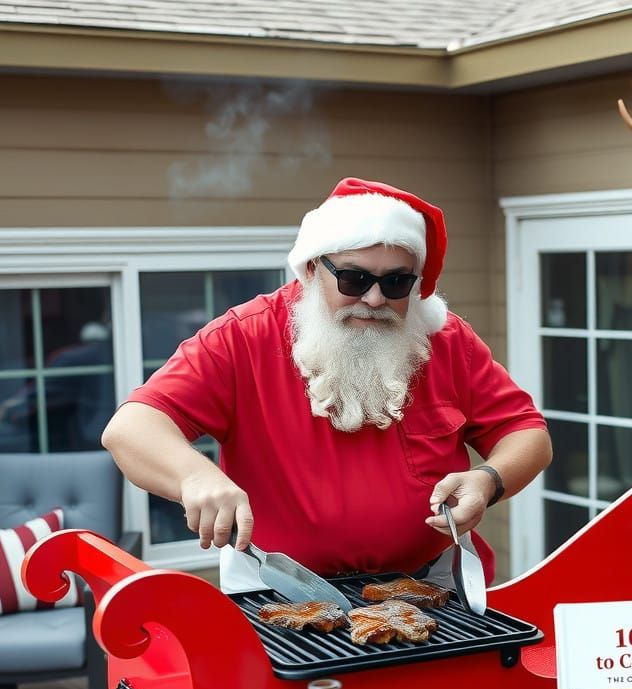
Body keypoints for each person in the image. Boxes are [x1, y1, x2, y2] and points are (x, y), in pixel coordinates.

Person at [102, 178, 552, 587]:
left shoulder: (446, 338)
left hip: (432, 585)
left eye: (396, 283)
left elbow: (527, 433)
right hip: (281, 589)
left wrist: (489, 480)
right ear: (313, 269)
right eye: (355, 279)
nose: (374, 299)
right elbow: (130, 430)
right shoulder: (243, 336)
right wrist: (195, 476)